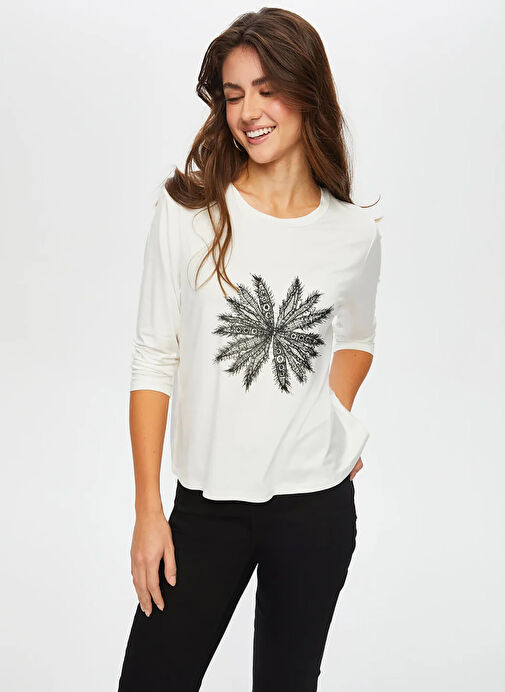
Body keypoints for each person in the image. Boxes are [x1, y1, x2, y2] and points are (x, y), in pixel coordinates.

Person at [117, 7, 382, 691]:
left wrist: (332, 419)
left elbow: (357, 339)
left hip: (314, 508)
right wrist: (149, 511)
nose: (249, 112)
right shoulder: (190, 213)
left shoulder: (352, 233)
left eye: (267, 89)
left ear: (307, 91)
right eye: (234, 95)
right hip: (205, 509)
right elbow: (154, 359)